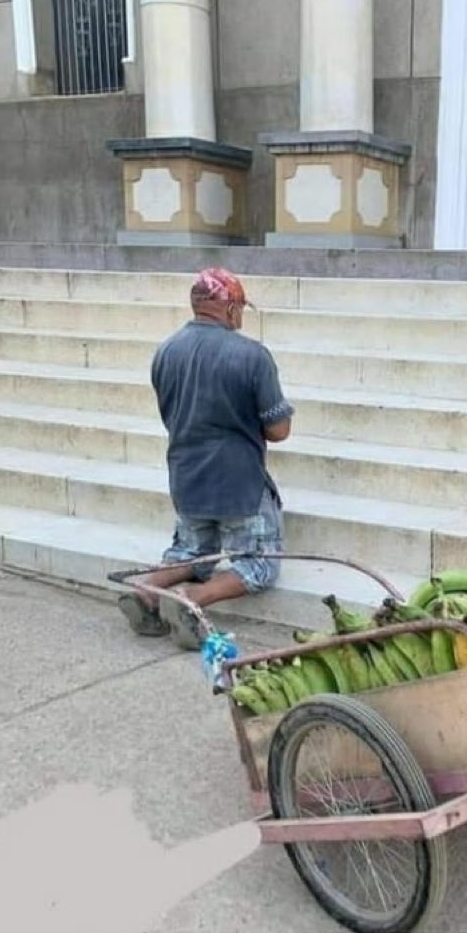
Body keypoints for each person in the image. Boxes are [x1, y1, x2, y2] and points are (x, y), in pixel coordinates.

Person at [117, 267, 294, 650]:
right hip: (238, 484)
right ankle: (191, 600)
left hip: (186, 474)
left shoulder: (165, 351)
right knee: (259, 565)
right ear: (228, 307)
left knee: (193, 552)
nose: (242, 315)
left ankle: (147, 588)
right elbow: (279, 430)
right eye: (241, 307)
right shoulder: (252, 355)